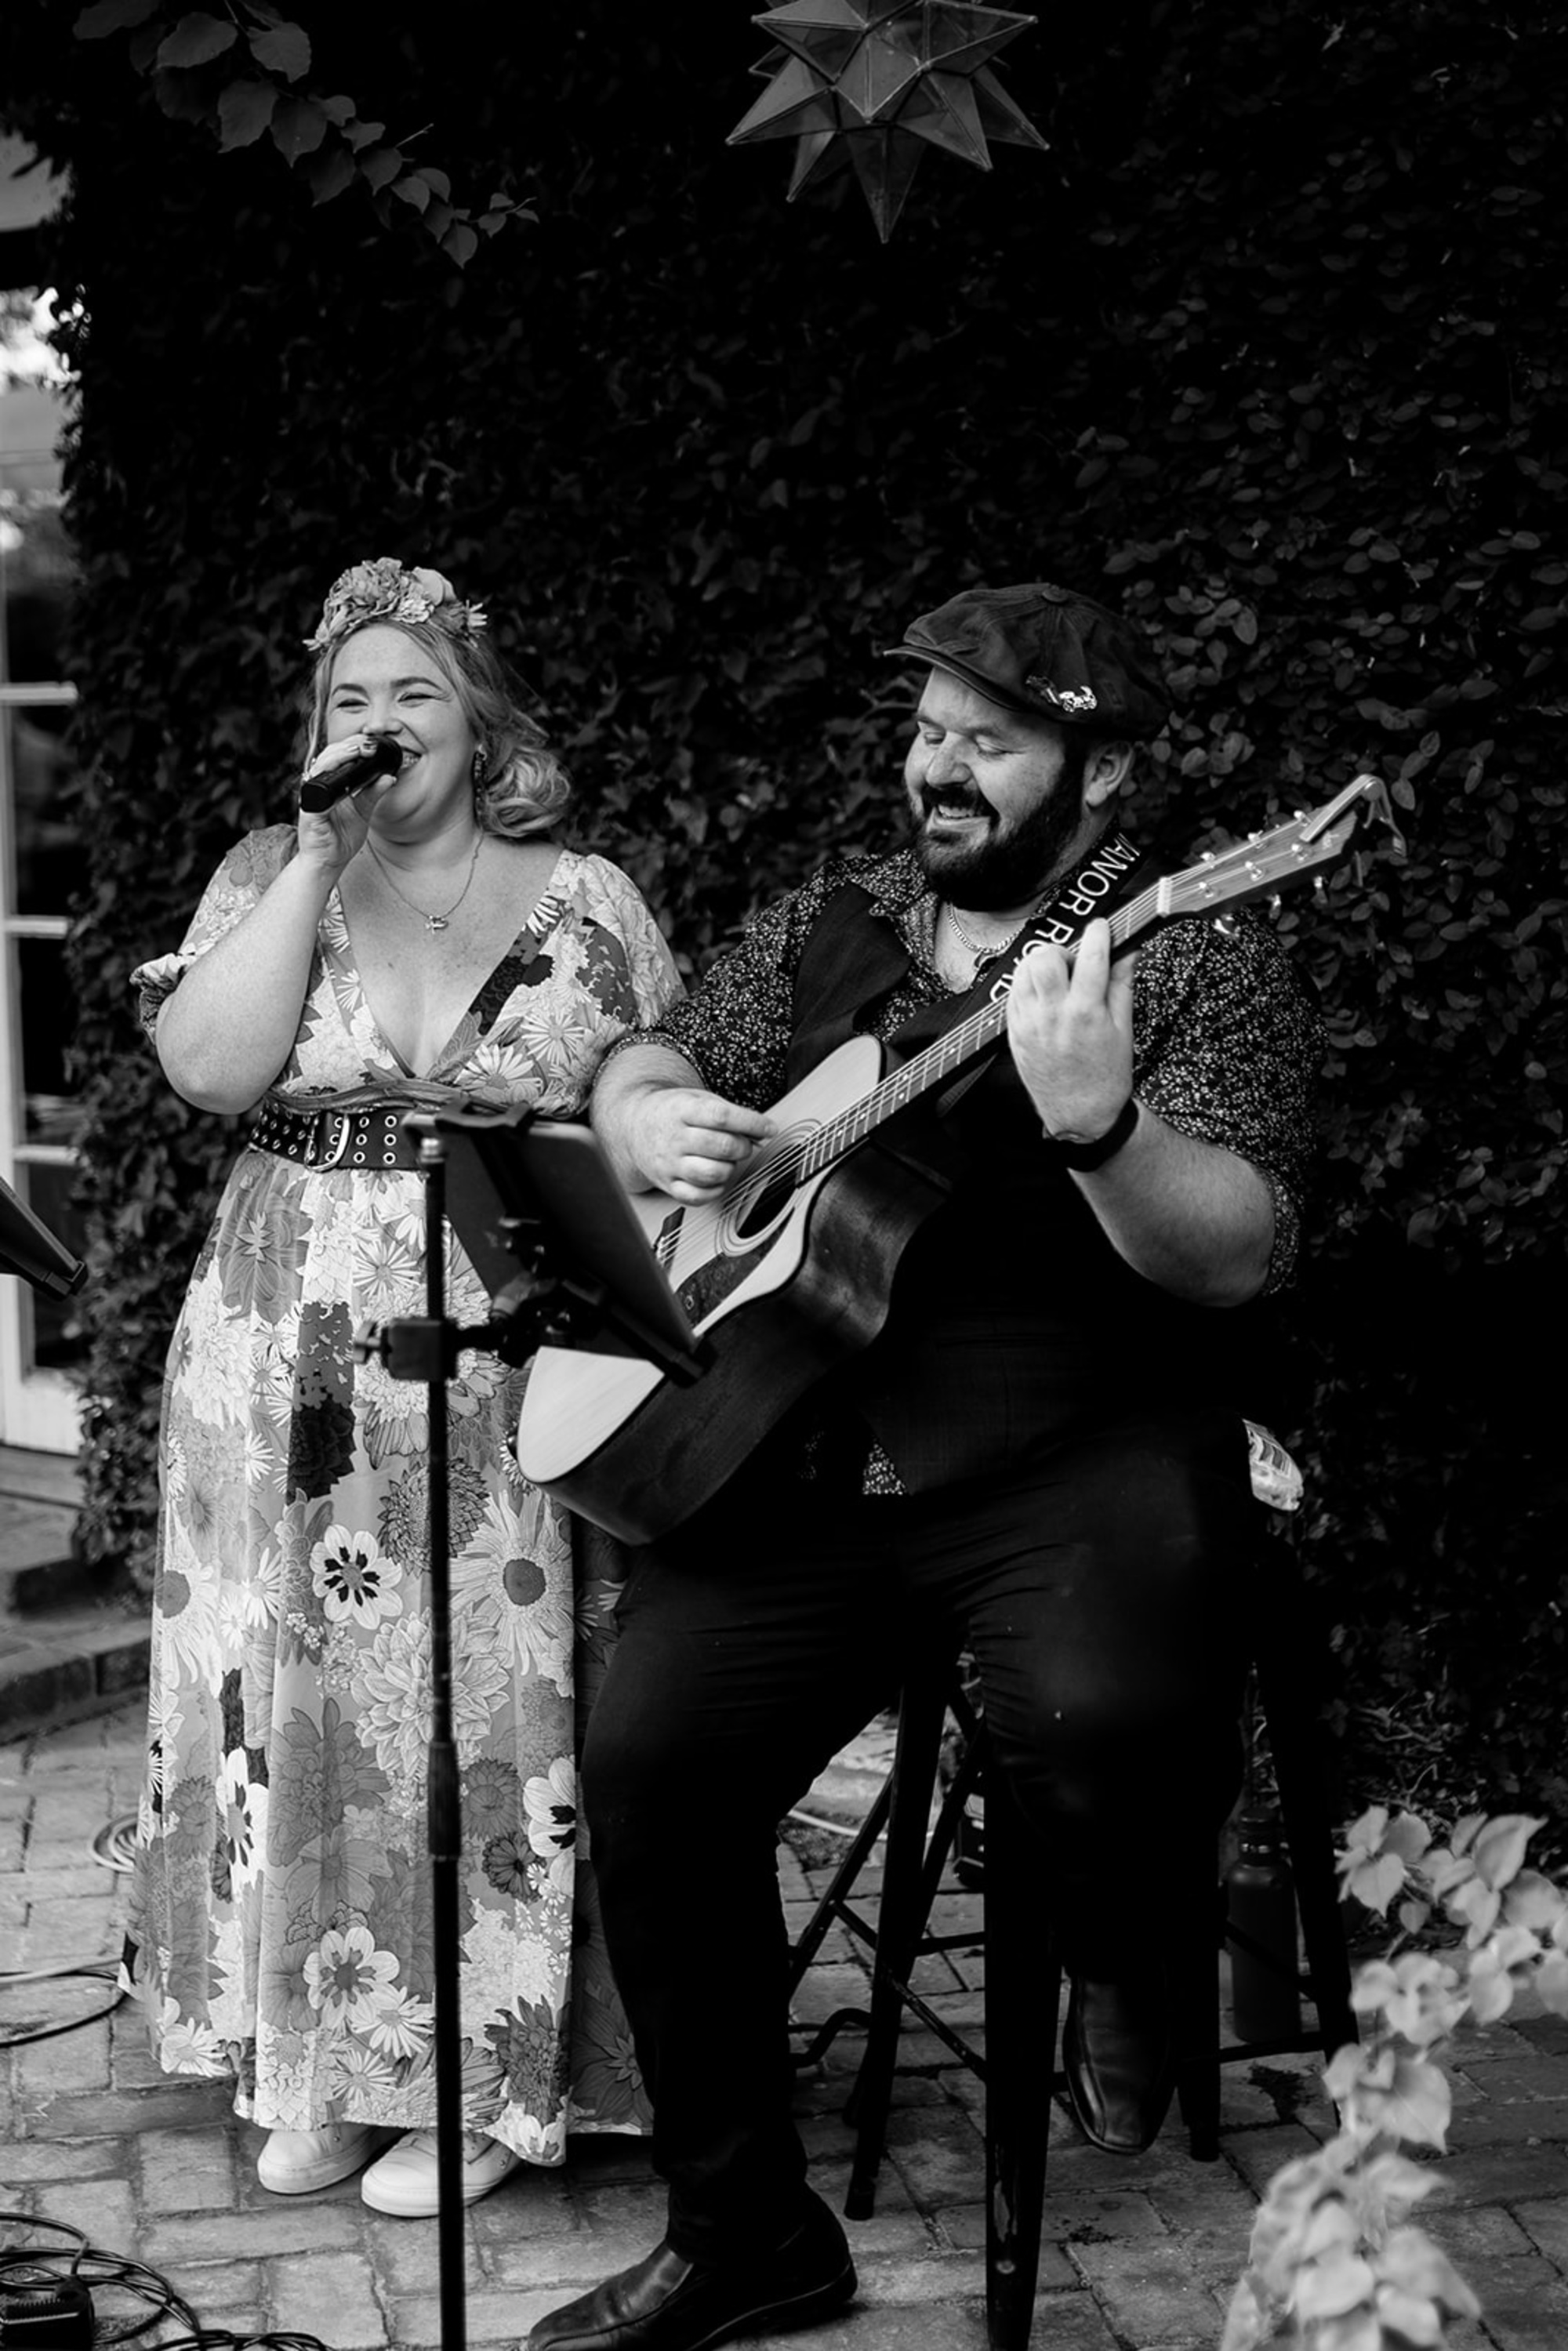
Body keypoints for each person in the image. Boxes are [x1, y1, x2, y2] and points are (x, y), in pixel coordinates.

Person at [526, 581, 1325, 2351]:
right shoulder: (847, 913)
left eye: (990, 741)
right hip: (810, 1455)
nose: (937, 771)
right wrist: (646, 1109)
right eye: (927, 733)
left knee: (1105, 1718)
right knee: (651, 1760)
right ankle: (747, 2233)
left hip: (1080, 1441)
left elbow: (1238, 1250)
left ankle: (1128, 1941)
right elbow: (657, 1052)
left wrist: (1102, 1126)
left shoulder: (1190, 944)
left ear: (1101, 773)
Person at [122, 557, 679, 2219]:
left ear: (478, 723)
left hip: (513, 1343)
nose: (378, 721)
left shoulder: (590, 898)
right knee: (295, 1701)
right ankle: (318, 2060)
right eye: (348, 698)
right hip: (281, 1353)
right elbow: (208, 1068)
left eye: (412, 691)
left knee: (483, 1702)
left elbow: (657, 1094)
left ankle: (483, 2075)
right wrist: (312, 857)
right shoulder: (265, 873)